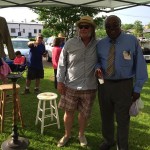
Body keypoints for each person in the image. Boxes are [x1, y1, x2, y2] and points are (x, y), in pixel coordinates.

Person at [95, 15, 148, 150]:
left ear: (120, 25)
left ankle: (122, 146)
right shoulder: (100, 44)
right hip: (104, 85)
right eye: (108, 26)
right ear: (105, 28)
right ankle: (108, 141)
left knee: (123, 119)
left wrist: (137, 88)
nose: (111, 29)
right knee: (106, 116)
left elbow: (140, 65)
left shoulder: (131, 40)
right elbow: (97, 62)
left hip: (124, 86)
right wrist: (97, 68)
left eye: (115, 25)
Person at [57, 16, 98, 148]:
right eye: (81, 26)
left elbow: (102, 61)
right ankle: (67, 135)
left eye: (87, 26)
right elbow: (62, 64)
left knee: (84, 114)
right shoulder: (70, 43)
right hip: (70, 85)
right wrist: (60, 81)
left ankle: (81, 134)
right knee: (68, 112)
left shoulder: (99, 44)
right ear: (78, 29)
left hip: (90, 86)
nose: (84, 29)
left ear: (92, 28)